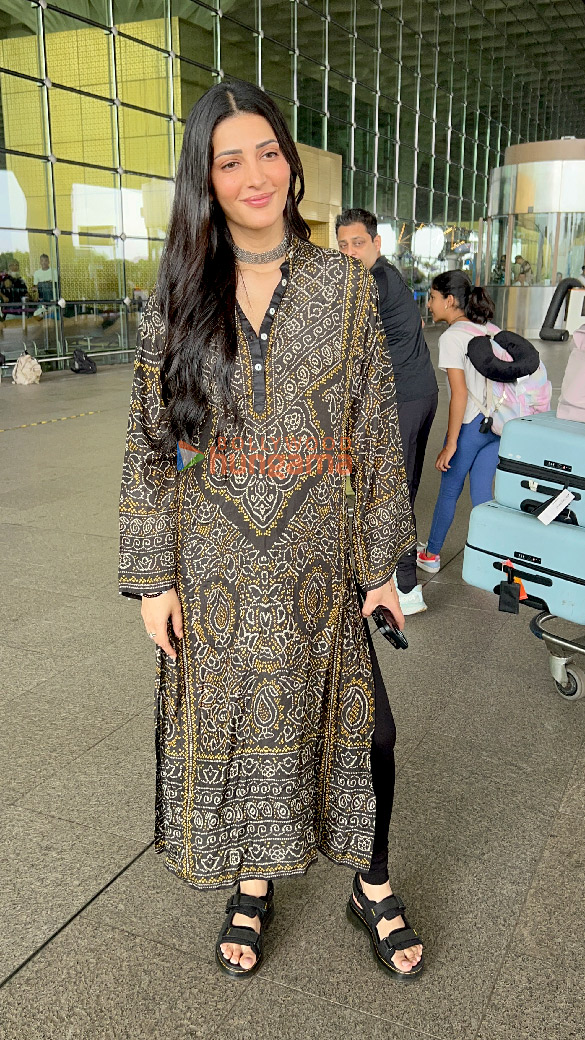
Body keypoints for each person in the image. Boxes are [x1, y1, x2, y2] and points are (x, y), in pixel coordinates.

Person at [119, 80, 424, 982]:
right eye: (229, 159)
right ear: (203, 180)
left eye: (268, 153)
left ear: (289, 164)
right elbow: (148, 447)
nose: (255, 174)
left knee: (370, 733)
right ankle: (251, 883)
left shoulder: (343, 286)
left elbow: (371, 426)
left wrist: (378, 565)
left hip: (321, 561)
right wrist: (153, 577)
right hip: (211, 566)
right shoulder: (177, 292)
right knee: (243, 727)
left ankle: (368, 882)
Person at [336, 208, 438, 615]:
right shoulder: (388, 273)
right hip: (419, 392)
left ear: (377, 244)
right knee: (402, 486)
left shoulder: (373, 280)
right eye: (342, 245)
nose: (349, 252)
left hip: (403, 399)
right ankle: (393, 568)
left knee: (391, 492)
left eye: (357, 243)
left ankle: (407, 588)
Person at [417, 271, 499, 573]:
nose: (430, 305)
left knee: (450, 491)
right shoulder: (487, 329)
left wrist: (450, 444)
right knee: (483, 494)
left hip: (470, 427)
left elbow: (460, 395)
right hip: (495, 424)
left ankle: (431, 554)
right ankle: (494, 558)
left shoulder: (453, 337)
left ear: (450, 300)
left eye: (434, 298)